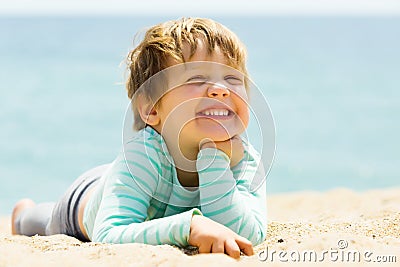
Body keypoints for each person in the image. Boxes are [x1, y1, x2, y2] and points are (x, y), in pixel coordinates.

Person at [11, 17, 267, 259]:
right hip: (83, 201)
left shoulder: (244, 158)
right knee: (41, 222)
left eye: (232, 78)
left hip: (119, 179)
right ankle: (22, 212)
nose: (221, 90)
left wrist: (215, 160)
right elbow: (107, 234)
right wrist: (189, 226)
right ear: (152, 109)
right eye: (197, 78)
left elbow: (247, 235)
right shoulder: (143, 154)